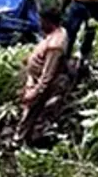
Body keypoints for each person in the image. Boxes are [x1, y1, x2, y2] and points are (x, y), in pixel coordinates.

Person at [15, 9, 71, 144]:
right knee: (29, 109)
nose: (39, 24)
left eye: (41, 21)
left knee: (31, 110)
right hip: (34, 77)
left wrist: (36, 91)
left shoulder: (55, 46)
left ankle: (18, 140)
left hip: (40, 82)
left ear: (48, 22)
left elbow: (48, 73)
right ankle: (24, 136)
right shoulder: (57, 33)